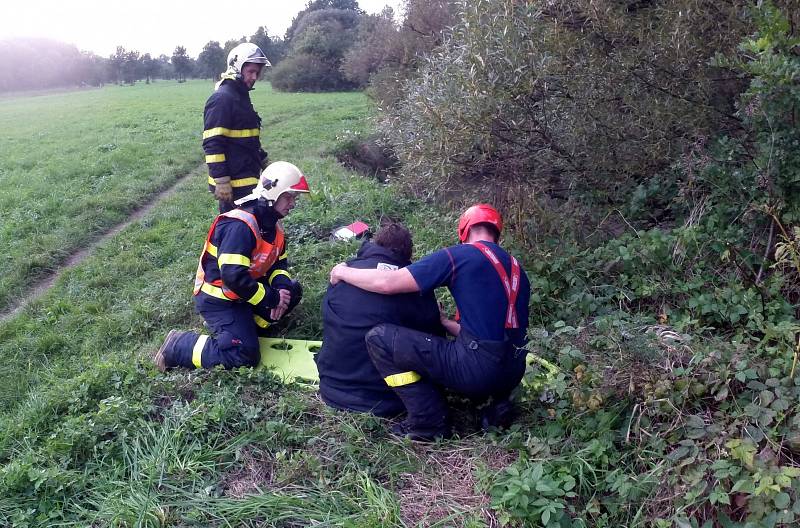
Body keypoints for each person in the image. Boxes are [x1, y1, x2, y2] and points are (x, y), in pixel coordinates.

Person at [329, 204, 531, 441]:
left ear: (464, 231)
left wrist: (342, 272)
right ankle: (495, 409)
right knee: (485, 359)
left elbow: (388, 283)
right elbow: (494, 332)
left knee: (380, 339)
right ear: (497, 233)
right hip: (513, 372)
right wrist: (444, 322)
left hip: (477, 370)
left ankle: (428, 420)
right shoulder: (518, 271)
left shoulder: (460, 255)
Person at [155, 161, 309, 371]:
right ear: (273, 193)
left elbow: (279, 263)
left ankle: (244, 330)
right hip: (220, 299)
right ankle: (179, 346)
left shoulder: (273, 223)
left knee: (293, 290)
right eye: (289, 196)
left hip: (247, 291)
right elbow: (233, 278)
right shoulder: (240, 226)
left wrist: (282, 289)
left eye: (295, 198)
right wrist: (271, 298)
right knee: (244, 355)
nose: (293, 203)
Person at [316, 222, 446, 417]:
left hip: (332, 387)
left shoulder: (342, 272)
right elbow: (434, 342)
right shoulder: (416, 287)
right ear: (408, 254)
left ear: (376, 243)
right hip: (388, 400)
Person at [203, 42, 271, 213]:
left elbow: (247, 139)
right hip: (233, 185)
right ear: (237, 68)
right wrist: (222, 181)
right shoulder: (223, 98)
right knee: (237, 230)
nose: (255, 77)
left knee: (251, 228)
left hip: (247, 179)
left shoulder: (240, 96)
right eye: (251, 72)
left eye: (258, 72)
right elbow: (213, 144)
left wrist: (265, 162)